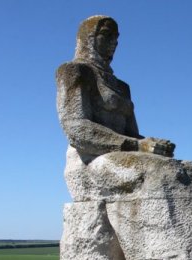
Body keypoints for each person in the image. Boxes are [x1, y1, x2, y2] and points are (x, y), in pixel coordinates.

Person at [56, 15, 174, 164]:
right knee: (157, 170)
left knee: (188, 167)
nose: (114, 43)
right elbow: (76, 128)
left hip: (123, 155)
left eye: (115, 38)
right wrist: (138, 145)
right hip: (90, 158)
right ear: (88, 38)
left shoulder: (123, 87)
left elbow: (131, 133)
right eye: (106, 35)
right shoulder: (74, 71)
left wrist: (153, 144)